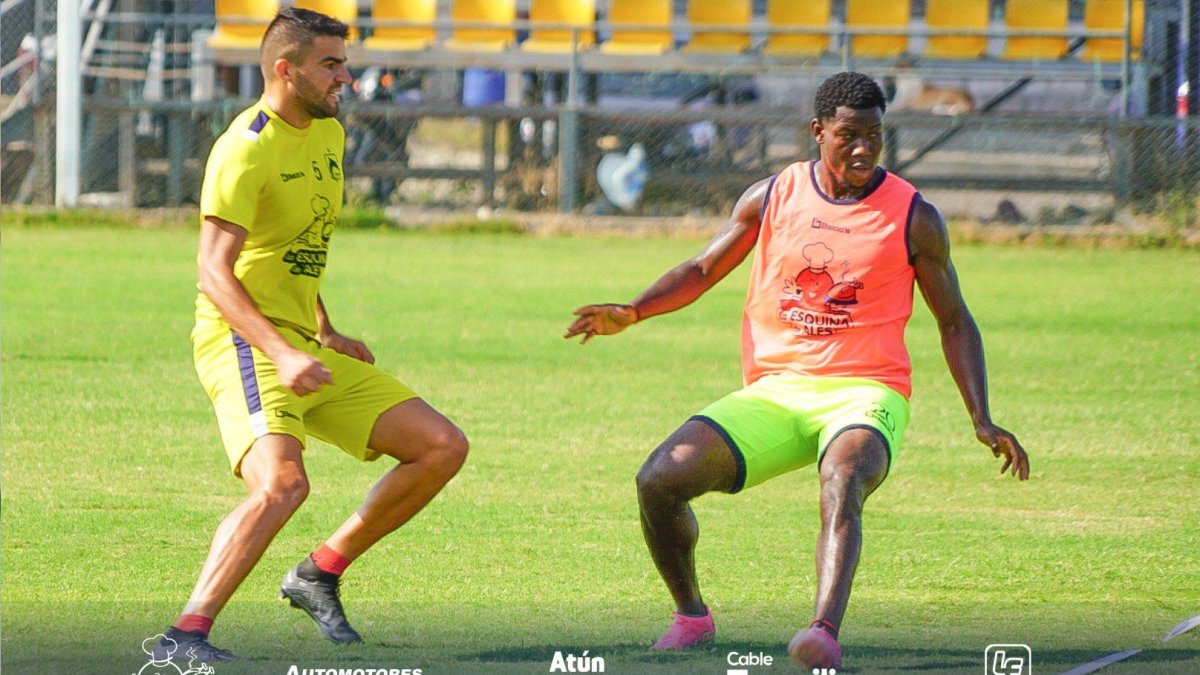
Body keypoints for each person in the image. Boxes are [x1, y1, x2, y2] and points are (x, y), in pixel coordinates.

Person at [564, 71, 1029, 670]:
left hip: (866, 391)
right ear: (818, 132)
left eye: (875, 136)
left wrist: (981, 417)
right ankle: (692, 617)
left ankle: (821, 633)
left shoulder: (914, 216)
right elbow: (704, 269)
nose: (863, 149)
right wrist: (633, 310)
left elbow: (954, 320)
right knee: (658, 479)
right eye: (849, 135)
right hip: (777, 392)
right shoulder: (772, 195)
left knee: (844, 477)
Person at [155, 8, 468, 661]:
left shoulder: (327, 136)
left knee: (440, 445)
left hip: (301, 343)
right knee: (282, 485)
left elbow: (289, 245)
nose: (346, 79)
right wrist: (280, 350)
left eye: (344, 64)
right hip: (242, 342)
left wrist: (323, 329)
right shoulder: (247, 147)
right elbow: (214, 272)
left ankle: (318, 572)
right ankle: (186, 634)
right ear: (284, 68)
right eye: (331, 65)